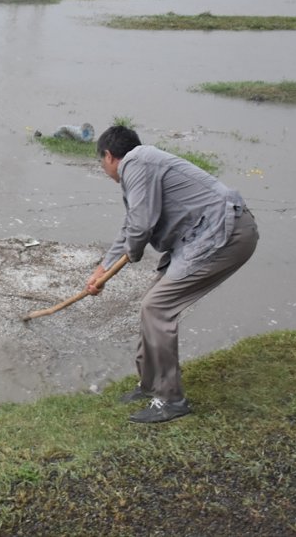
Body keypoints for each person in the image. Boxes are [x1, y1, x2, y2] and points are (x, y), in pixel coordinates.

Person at [86, 126, 259, 423]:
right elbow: (132, 224)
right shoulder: (142, 165)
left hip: (224, 233)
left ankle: (171, 400)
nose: (105, 171)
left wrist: (134, 253)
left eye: (101, 164)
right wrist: (104, 268)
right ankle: (150, 384)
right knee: (152, 303)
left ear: (109, 156)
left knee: (156, 306)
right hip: (203, 236)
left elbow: (141, 227)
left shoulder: (136, 162)